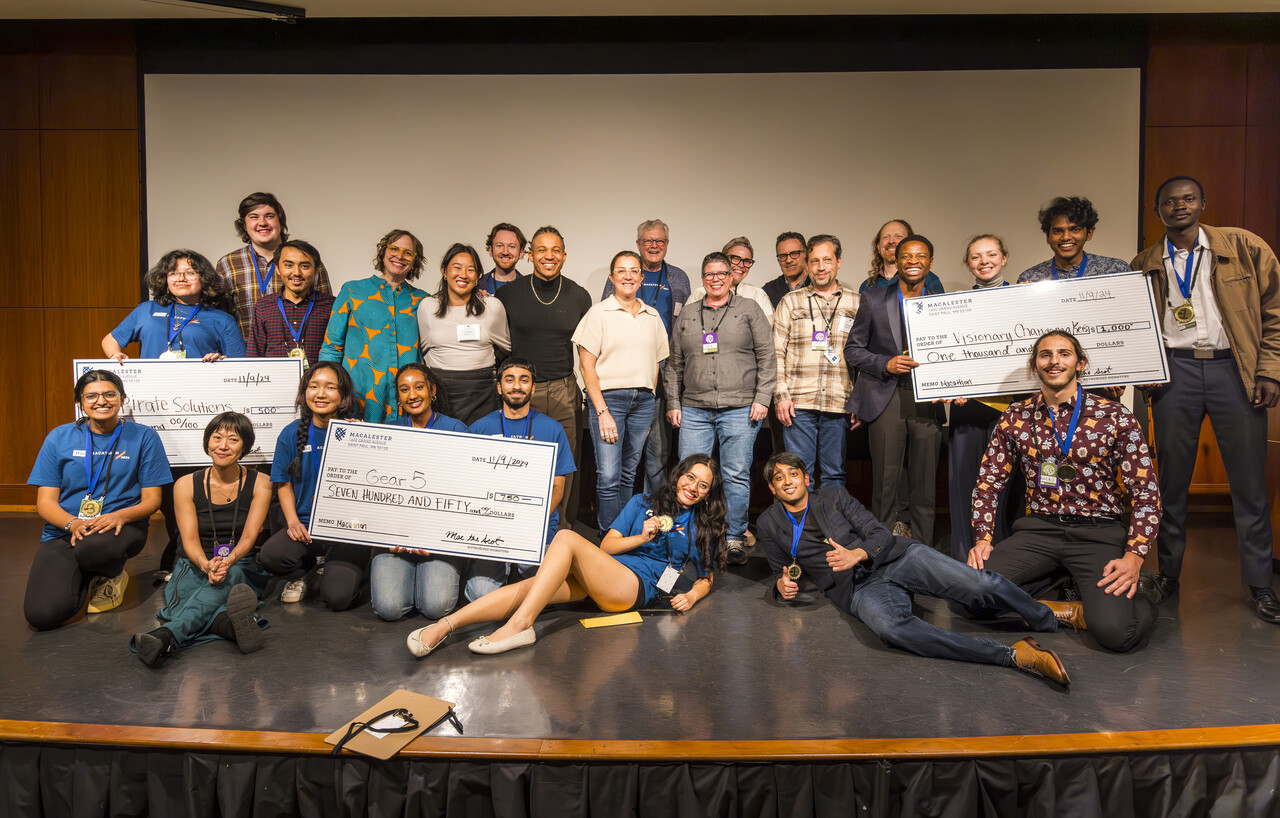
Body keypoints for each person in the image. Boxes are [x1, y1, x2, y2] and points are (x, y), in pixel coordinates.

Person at [757, 452, 1070, 685]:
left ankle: (1045, 618)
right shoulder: (768, 523)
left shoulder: (835, 496)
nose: (787, 481)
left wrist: (858, 553)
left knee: (980, 586)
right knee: (891, 630)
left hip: (896, 557)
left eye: (793, 474)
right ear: (772, 488)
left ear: (805, 478)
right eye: (779, 478)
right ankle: (1012, 655)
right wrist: (781, 586)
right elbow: (778, 571)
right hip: (857, 588)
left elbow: (878, 531)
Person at [1131, 175, 1280, 623]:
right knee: (1170, 483)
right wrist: (1145, 374)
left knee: (1249, 485)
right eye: (1169, 202)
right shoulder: (1144, 262)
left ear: (1202, 202)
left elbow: (1275, 310)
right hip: (1174, 373)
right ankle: (1169, 575)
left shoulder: (1244, 246)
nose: (1179, 206)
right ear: (1157, 211)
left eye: (1188, 198)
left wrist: (1269, 370)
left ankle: (1260, 584)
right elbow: (1134, 328)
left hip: (1234, 370)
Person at [405, 454, 726, 658]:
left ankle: (520, 625)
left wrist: (693, 596)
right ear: (679, 474)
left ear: (707, 494)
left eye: (703, 485)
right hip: (606, 570)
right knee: (526, 589)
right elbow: (607, 548)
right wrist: (640, 537)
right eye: (690, 478)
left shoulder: (700, 525)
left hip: (635, 587)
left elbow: (705, 576)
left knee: (566, 538)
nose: (693, 487)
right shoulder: (643, 501)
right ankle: (446, 625)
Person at [968, 331, 1160, 652]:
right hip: (1039, 530)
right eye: (1045, 355)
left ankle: (1141, 595)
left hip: (1098, 532)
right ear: (1035, 366)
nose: (1054, 361)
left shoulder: (1114, 416)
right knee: (970, 596)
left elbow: (1146, 494)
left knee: (1116, 634)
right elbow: (988, 482)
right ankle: (1061, 585)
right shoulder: (1015, 417)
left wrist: (1134, 556)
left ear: (1080, 363)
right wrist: (983, 538)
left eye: (1064, 354)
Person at [102, 249, 245, 574]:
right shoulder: (146, 310)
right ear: (164, 279)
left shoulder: (220, 319)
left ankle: (199, 554)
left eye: (190, 272)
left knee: (198, 488)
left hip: (203, 418)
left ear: (204, 279)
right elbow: (110, 340)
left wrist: (221, 364)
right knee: (166, 493)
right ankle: (181, 553)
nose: (181, 277)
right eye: (174, 272)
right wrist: (116, 359)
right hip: (158, 420)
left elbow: (240, 365)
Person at [25, 370, 172, 629]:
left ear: (122, 398)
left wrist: (119, 515)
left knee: (93, 548)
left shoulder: (144, 437)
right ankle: (85, 574)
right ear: (80, 403)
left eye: (109, 394)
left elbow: (152, 500)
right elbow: (45, 502)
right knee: (41, 615)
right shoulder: (58, 437)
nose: (100, 401)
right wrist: (73, 524)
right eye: (91, 396)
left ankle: (111, 576)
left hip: (119, 526)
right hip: (65, 529)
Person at [130, 412, 273, 667]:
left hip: (239, 562)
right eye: (216, 438)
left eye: (233, 439)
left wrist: (227, 562)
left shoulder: (261, 482)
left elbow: (251, 535)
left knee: (214, 589)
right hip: (193, 563)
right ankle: (227, 625)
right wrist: (205, 564)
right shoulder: (185, 484)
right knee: (192, 598)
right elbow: (188, 540)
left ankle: (166, 636)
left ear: (245, 446)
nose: (223, 445)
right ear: (207, 442)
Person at [667, 252, 776, 564]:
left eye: (721, 274)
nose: (715, 279)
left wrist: (762, 398)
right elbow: (674, 365)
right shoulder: (687, 315)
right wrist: (674, 403)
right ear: (703, 280)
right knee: (689, 475)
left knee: (736, 474)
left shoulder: (749, 309)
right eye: (709, 274)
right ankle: (687, 535)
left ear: (731, 277)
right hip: (695, 410)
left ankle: (734, 537)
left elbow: (767, 357)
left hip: (740, 408)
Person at [371, 364, 494, 622]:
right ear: (399, 397)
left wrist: (434, 537)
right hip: (397, 537)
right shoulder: (387, 434)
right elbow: (378, 493)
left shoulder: (456, 430)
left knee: (435, 607)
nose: (412, 395)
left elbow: (466, 491)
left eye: (419, 387)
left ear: (432, 390)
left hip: (440, 538)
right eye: (404, 390)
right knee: (389, 609)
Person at [844, 234, 946, 547]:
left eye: (921, 256)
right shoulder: (874, 299)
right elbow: (853, 349)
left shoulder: (943, 304)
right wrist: (886, 363)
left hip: (927, 400)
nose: (913, 261)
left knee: (924, 486)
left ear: (930, 261)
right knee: (885, 485)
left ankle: (925, 555)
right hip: (885, 398)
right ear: (896, 260)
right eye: (907, 255)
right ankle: (881, 551)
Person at [494, 227, 592, 529]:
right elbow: (497, 346)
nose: (548, 256)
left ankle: (560, 529)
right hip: (521, 392)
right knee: (517, 462)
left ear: (563, 255)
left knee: (565, 464)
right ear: (530, 255)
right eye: (541, 250)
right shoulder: (508, 294)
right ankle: (516, 525)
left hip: (564, 390)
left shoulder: (579, 296)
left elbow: (590, 351)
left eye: (555, 250)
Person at [258, 362, 370, 610]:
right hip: (308, 526)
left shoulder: (356, 432)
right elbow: (283, 484)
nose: (321, 394)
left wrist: (367, 440)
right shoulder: (290, 433)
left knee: (338, 599)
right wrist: (293, 522)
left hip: (346, 528)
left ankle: (351, 569)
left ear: (342, 395)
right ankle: (304, 571)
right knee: (270, 556)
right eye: (314, 387)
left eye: (330, 388)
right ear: (304, 392)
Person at [574, 251, 669, 532]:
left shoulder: (652, 316)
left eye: (633, 271)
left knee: (629, 475)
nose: (628, 276)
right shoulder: (598, 313)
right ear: (612, 277)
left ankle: (623, 533)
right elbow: (586, 365)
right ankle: (608, 539)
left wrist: (651, 399)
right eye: (621, 271)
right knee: (609, 477)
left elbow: (656, 362)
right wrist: (601, 411)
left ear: (641, 277)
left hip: (643, 403)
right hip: (609, 401)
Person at [603, 219, 692, 495]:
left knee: (658, 451)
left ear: (666, 244)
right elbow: (606, 317)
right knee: (622, 452)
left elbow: (685, 324)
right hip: (625, 369)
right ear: (638, 244)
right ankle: (620, 514)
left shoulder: (678, 278)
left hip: (664, 368)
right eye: (648, 241)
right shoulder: (624, 274)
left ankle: (655, 511)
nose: (654, 246)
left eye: (660, 241)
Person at [468, 358, 578, 580]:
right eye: (509, 380)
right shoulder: (479, 429)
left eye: (524, 380)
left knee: (542, 587)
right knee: (480, 594)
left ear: (533, 387)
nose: (516, 386)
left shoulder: (553, 429)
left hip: (536, 531)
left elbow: (558, 488)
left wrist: (532, 519)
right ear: (499, 387)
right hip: (491, 529)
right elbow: (469, 482)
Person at [947, 235, 1020, 561]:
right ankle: (966, 558)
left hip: (1015, 407)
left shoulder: (1025, 298)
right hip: (969, 408)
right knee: (966, 484)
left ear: (1004, 258)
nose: (984, 261)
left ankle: (1005, 560)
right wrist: (947, 385)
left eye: (991, 254)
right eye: (976, 257)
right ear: (967, 264)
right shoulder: (953, 306)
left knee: (1008, 488)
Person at [773, 234, 860, 489]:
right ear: (807, 264)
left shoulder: (856, 302)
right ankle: (803, 530)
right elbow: (776, 352)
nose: (820, 267)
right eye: (814, 261)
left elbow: (863, 356)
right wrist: (781, 395)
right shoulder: (790, 301)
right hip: (798, 402)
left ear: (838, 262)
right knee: (798, 475)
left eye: (826, 260)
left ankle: (832, 529)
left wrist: (860, 401)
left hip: (839, 400)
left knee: (835, 474)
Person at [320, 229, 428, 423]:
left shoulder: (423, 300)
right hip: (358, 396)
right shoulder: (352, 290)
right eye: (394, 249)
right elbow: (331, 346)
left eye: (408, 253)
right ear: (383, 252)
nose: (400, 256)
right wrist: (327, 388)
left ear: (414, 260)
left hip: (407, 399)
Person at [416, 243, 512, 424]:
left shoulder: (491, 306)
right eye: (457, 268)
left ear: (477, 277)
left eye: (470, 270)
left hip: (483, 393)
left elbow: (508, 348)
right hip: (441, 392)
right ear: (444, 271)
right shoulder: (428, 307)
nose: (463, 275)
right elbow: (420, 350)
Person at [215, 191, 333, 338]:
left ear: (281, 221)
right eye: (254, 217)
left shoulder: (307, 261)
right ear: (244, 225)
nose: (262, 223)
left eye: (269, 216)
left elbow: (328, 312)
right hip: (247, 354)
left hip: (302, 354)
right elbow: (219, 319)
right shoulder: (228, 264)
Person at [246, 239, 335, 366]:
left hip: (317, 384)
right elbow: (254, 356)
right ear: (277, 268)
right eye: (288, 265)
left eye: (304, 266)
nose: (297, 272)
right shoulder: (263, 306)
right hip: (275, 383)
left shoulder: (331, 305)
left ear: (316, 271)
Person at [1016, 196, 1133, 283]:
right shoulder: (1030, 278)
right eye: (1058, 231)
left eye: (1075, 229)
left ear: (1089, 233)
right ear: (1047, 237)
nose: (1066, 237)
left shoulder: (1115, 270)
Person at [685, 237, 774, 319]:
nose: (741, 265)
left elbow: (767, 332)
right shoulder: (699, 294)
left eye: (747, 261)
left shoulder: (758, 295)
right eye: (735, 258)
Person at [859, 219, 943, 295]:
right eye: (886, 237)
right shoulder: (867, 286)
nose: (891, 241)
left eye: (898, 236)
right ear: (878, 247)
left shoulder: (928, 280)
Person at [762, 231, 809, 309]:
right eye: (783, 256)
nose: (788, 260)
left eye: (794, 253)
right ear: (778, 260)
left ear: (806, 255)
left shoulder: (818, 285)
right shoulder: (768, 291)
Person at [478, 222, 526, 296]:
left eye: (512, 246)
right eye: (500, 246)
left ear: (521, 252)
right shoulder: (476, 287)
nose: (505, 252)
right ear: (491, 250)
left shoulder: (530, 288)